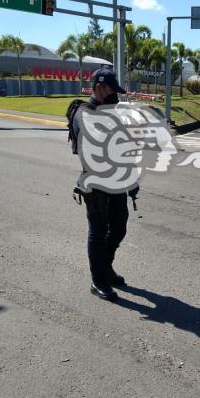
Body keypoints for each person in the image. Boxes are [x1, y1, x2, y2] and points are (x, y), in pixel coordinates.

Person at [70, 68, 137, 302]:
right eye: (110, 90)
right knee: (98, 232)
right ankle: (97, 280)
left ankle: (106, 267)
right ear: (98, 87)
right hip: (95, 183)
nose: (114, 96)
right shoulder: (84, 113)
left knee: (119, 228)